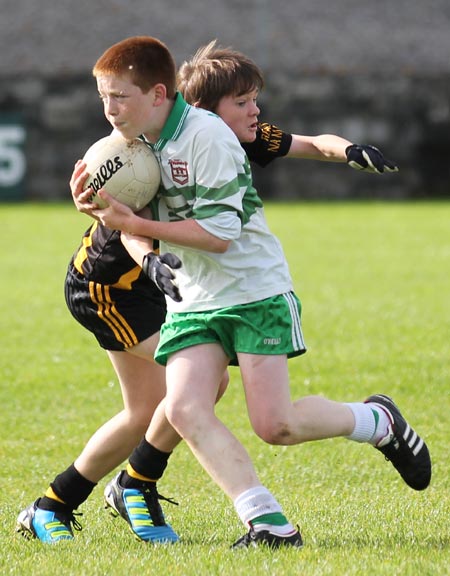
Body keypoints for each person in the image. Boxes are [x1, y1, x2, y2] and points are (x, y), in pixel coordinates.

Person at [15, 37, 405, 546]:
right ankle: (119, 489)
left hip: (173, 279)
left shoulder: (220, 133)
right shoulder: (142, 145)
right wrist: (130, 236)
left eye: (251, 101)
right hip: (111, 286)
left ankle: (82, 497)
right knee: (190, 393)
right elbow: (132, 225)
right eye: (241, 102)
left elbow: (306, 143)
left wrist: (349, 150)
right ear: (199, 105)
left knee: (171, 401)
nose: (254, 112)